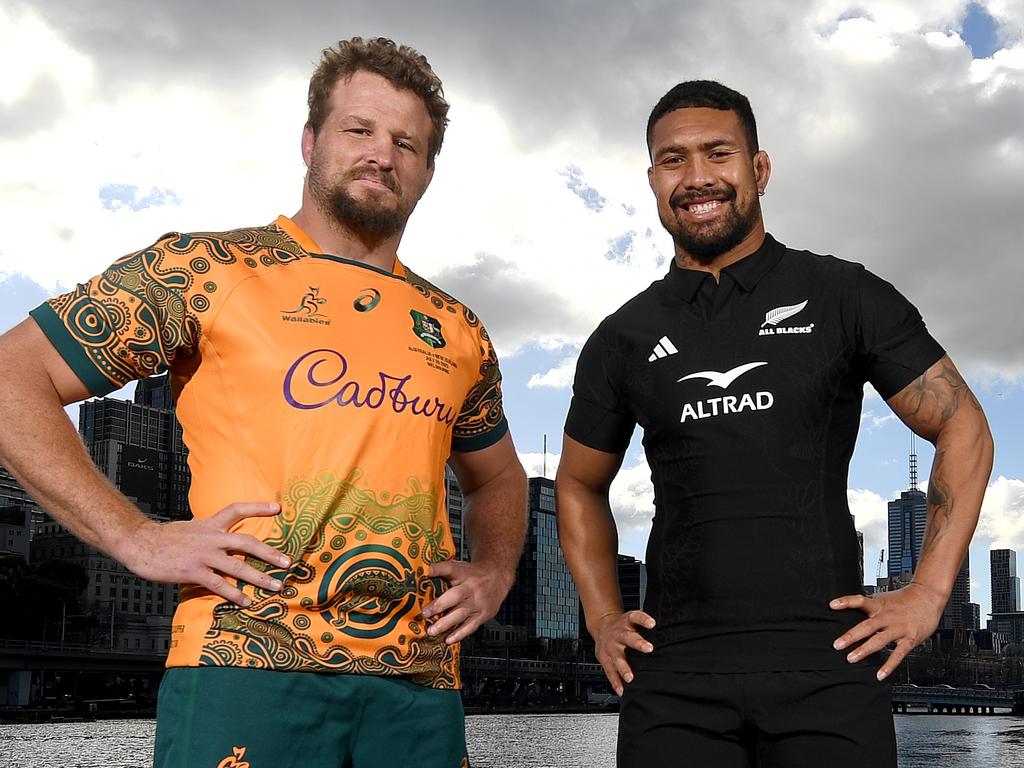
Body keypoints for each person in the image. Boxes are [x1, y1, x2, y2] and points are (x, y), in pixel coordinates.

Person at [0, 37, 526, 768]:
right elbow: (10, 379)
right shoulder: (205, 270)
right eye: (359, 130)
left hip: (421, 684)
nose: (383, 153)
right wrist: (137, 537)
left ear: (428, 170)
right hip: (242, 666)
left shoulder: (459, 328)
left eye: (407, 142)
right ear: (310, 141)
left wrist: (495, 571)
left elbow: (499, 477)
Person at [556, 80, 992, 767]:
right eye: (674, 160)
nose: (697, 178)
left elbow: (963, 424)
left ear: (759, 168)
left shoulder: (844, 293)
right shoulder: (623, 337)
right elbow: (578, 485)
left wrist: (931, 591)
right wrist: (603, 617)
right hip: (674, 681)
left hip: (830, 668)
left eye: (717, 154)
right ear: (651, 179)